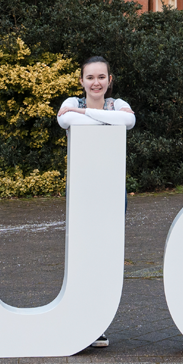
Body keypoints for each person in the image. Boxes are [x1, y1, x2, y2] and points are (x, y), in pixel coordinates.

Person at [56, 55, 135, 348]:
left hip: (112, 189)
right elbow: (63, 118)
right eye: (90, 77)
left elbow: (128, 121)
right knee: (82, 254)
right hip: (82, 189)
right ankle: (80, 321)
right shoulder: (71, 102)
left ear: (109, 80)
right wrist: (95, 116)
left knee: (106, 255)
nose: (96, 82)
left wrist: (86, 115)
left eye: (101, 77)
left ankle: (98, 324)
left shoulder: (117, 104)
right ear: (81, 81)